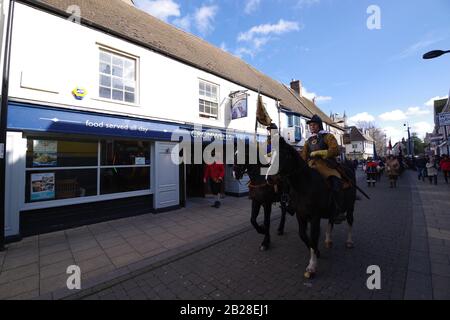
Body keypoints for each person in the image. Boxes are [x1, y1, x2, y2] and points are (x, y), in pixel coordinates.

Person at [300, 115, 346, 223]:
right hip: (312, 165)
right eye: (310, 125)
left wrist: (322, 152)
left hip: (326, 165)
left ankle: (337, 210)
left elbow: (335, 150)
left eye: (314, 125)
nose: (311, 127)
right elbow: (303, 156)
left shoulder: (328, 136)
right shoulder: (308, 141)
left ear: (319, 125)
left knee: (336, 182)